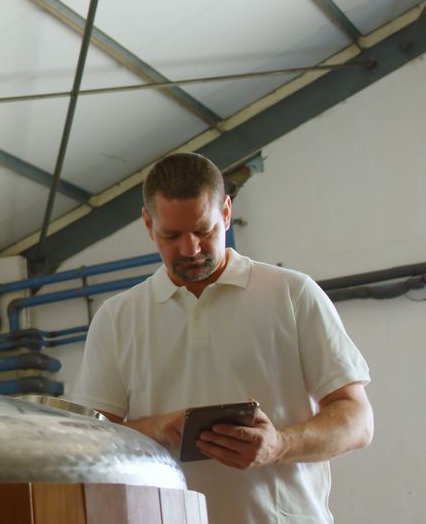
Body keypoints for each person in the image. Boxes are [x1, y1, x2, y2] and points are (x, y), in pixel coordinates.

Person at [71, 152, 373, 523]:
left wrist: (279, 445)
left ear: (226, 212)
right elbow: (90, 438)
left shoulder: (292, 294)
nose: (190, 249)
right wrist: (156, 428)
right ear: (148, 224)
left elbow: (358, 419)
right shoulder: (116, 319)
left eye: (204, 230)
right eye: (172, 235)